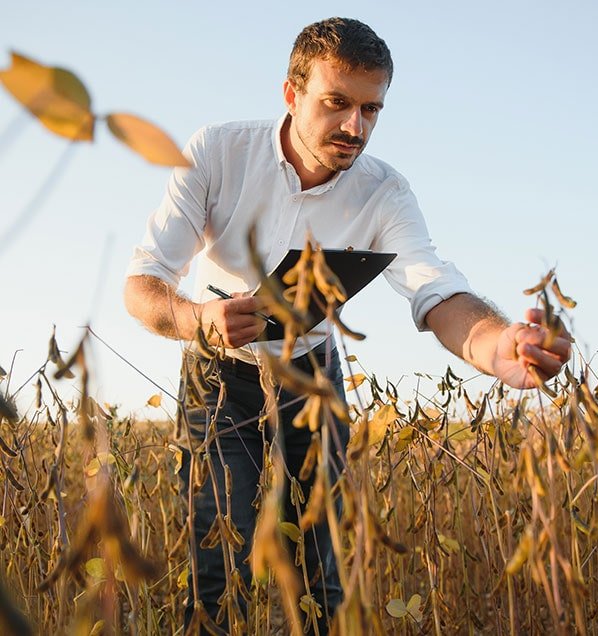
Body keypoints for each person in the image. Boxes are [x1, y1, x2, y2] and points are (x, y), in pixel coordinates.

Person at [124, 17, 571, 634]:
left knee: (318, 559)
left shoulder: (385, 192)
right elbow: (142, 286)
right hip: (218, 372)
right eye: (336, 104)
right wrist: (198, 318)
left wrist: (502, 348)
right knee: (215, 554)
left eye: (371, 109)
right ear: (291, 94)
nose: (354, 127)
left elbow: (436, 292)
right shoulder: (217, 152)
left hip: (314, 374)